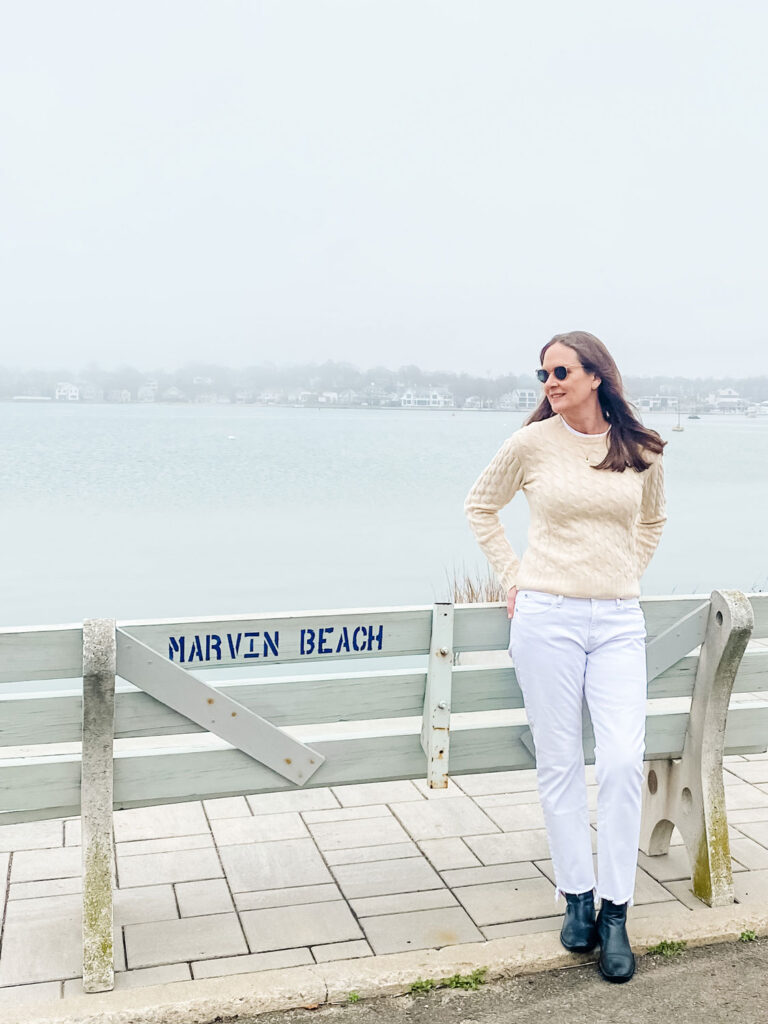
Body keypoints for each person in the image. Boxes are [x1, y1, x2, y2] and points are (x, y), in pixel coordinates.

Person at [464, 331, 666, 984]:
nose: (549, 383)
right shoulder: (530, 444)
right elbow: (480, 506)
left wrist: (624, 570)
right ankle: (578, 898)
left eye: (560, 372)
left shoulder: (639, 448)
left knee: (621, 761)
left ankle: (617, 911)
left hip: (618, 621)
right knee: (558, 761)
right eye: (543, 374)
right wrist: (514, 577)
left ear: (595, 376)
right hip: (546, 616)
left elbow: (653, 521)